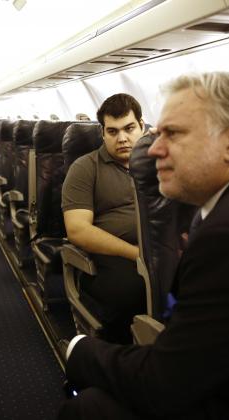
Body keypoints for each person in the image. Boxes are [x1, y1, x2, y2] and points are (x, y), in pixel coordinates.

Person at [59, 72, 229, 419]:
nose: (154, 149)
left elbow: (165, 384)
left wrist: (80, 351)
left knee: (85, 407)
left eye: (173, 134)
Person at [61, 93, 148, 343]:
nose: (122, 138)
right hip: (113, 256)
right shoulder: (85, 168)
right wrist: (136, 254)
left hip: (159, 250)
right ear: (102, 133)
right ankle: (121, 354)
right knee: (132, 291)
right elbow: (78, 230)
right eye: (112, 131)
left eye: (129, 128)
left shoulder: (159, 163)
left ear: (142, 126)